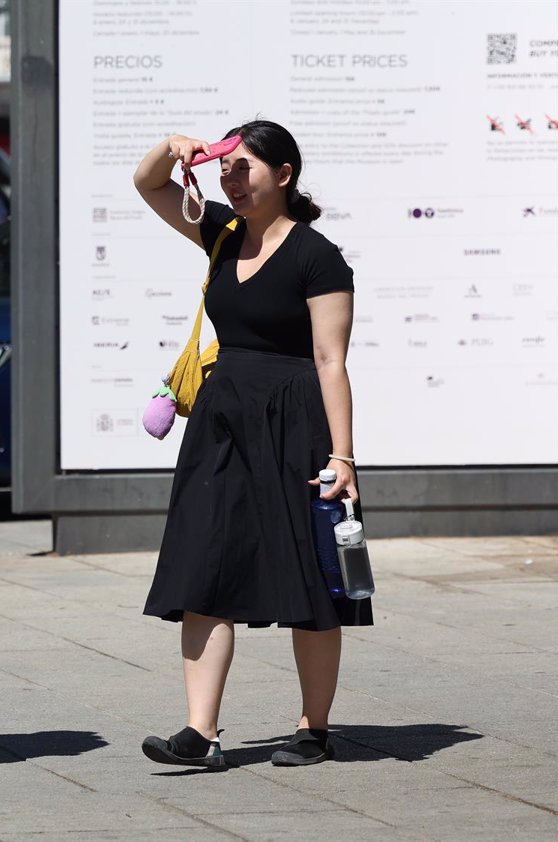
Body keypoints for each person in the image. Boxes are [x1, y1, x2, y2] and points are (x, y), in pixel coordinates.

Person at [132, 120, 371, 769]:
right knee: (202, 564)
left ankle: (313, 728)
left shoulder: (316, 255)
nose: (229, 180)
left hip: (297, 420)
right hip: (221, 420)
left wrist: (342, 457)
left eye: (243, 167)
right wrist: (174, 146)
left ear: (284, 174)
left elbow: (330, 360)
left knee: (311, 578)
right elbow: (147, 183)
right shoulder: (221, 233)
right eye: (223, 169)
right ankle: (198, 732)